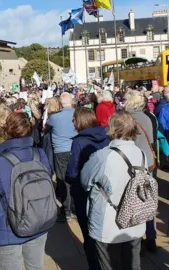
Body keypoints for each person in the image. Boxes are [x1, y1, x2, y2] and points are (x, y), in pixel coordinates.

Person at [0, 112, 53, 270]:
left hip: (8, 228)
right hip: (38, 220)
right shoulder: (39, 154)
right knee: (36, 266)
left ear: (8, 130)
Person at [80, 111, 146, 270]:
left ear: (112, 129)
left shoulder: (102, 156)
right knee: (133, 263)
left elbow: (85, 181)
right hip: (135, 219)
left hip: (108, 223)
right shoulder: (140, 153)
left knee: (109, 264)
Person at [66, 107, 109, 270]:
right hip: (104, 191)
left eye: (74, 119)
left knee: (88, 233)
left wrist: (70, 179)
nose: (73, 123)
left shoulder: (78, 141)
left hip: (84, 192)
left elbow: (72, 171)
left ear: (79, 121)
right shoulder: (106, 136)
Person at [123, 89, 157, 252]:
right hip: (148, 162)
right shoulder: (146, 117)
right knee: (148, 201)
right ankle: (151, 237)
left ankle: (136, 239)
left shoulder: (125, 119)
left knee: (133, 202)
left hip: (133, 164)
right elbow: (150, 139)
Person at [45, 92, 77, 222]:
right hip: (74, 149)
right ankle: (73, 208)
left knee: (63, 180)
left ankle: (67, 210)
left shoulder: (55, 118)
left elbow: (45, 127)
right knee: (74, 179)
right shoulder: (78, 114)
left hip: (60, 151)